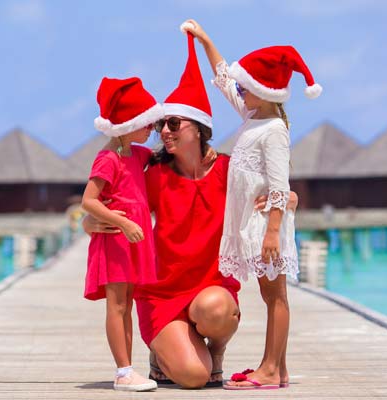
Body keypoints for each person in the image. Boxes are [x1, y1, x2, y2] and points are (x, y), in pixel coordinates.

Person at [82, 28, 300, 390]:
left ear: (198, 129)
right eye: (160, 124)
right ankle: (165, 355)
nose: (164, 131)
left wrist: (290, 198)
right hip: (161, 294)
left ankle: (216, 352)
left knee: (218, 311)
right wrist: (90, 222)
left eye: (173, 123)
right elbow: (113, 199)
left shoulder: (230, 170)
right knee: (194, 378)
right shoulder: (153, 173)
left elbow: (269, 185)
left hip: (211, 291)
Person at [182, 19, 321, 390]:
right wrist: (205, 40)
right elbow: (224, 76)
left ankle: (270, 369)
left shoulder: (274, 130)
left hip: (266, 225)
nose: (239, 90)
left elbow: (279, 185)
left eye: (246, 87)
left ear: (263, 90)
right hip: (256, 223)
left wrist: (273, 232)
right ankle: (278, 369)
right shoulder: (252, 116)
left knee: (275, 296)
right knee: (270, 294)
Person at [82, 77, 164, 392]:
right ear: (127, 124)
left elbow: (160, 159)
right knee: (117, 305)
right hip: (117, 240)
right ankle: (122, 371)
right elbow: (89, 201)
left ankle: (128, 368)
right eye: (146, 123)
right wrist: (126, 224)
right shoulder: (109, 158)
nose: (151, 129)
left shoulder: (135, 154)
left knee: (127, 304)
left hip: (131, 242)